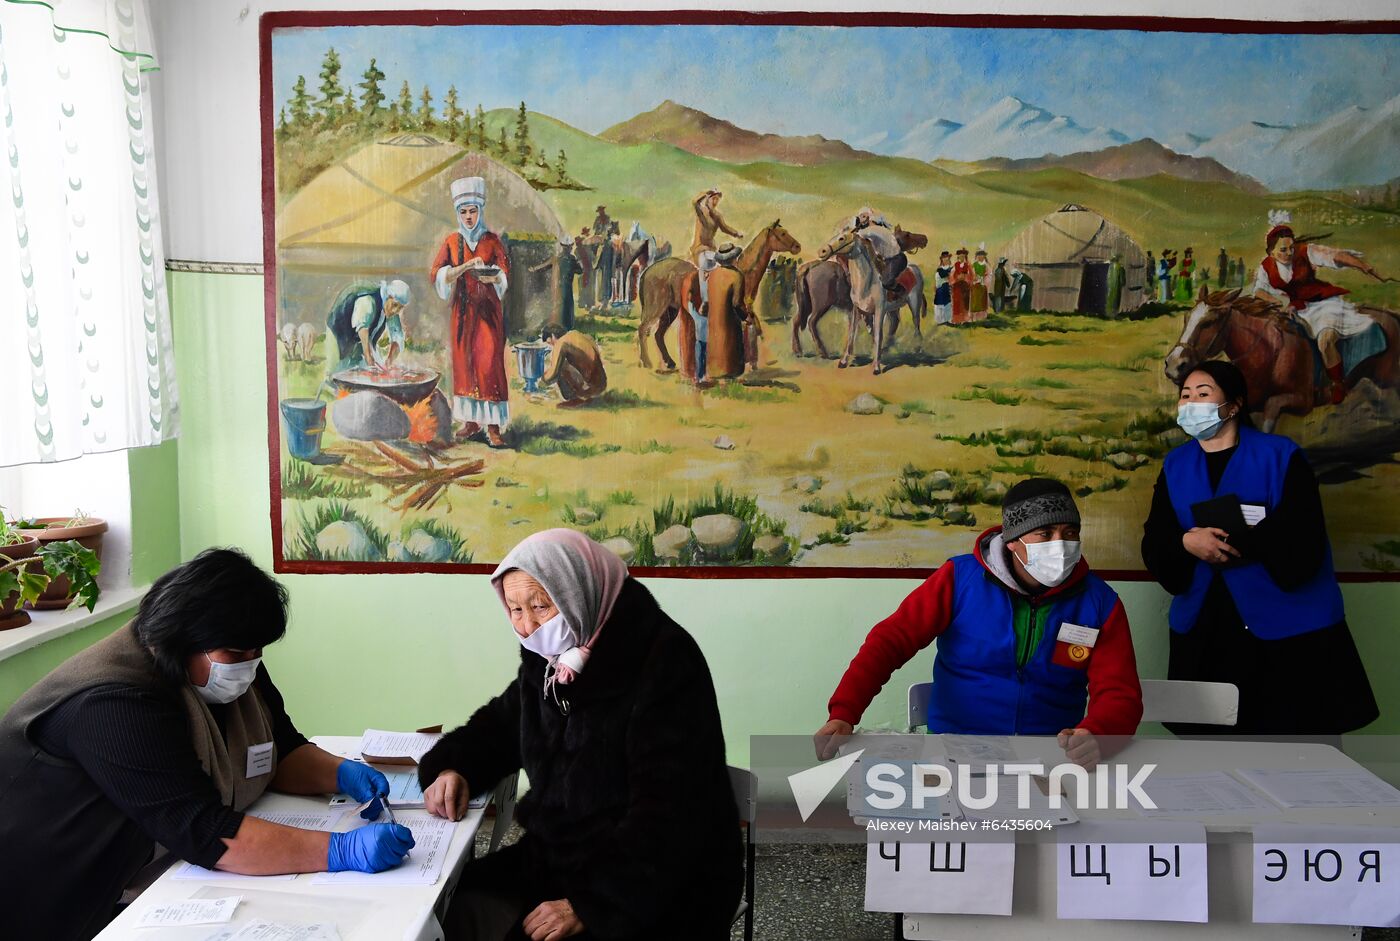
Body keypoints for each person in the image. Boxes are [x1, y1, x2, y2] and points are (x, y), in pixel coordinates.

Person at [0, 549, 415, 941]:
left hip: (150, 862)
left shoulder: (230, 658)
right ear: (180, 640)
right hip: (58, 894)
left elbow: (280, 749)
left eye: (257, 651)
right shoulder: (113, 702)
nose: (250, 663)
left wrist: (340, 772)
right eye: (237, 653)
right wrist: (341, 850)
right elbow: (205, 833)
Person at [420, 530, 742, 941]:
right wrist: (454, 767)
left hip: (656, 882)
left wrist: (592, 903)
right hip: (563, 854)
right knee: (450, 904)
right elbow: (503, 724)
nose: (527, 625)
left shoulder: (665, 662)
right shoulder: (554, 658)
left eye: (540, 605)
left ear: (578, 590)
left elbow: (670, 814)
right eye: (515, 609)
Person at [814, 479, 1143, 769]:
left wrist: (1096, 734)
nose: (1060, 544)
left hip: (1052, 753)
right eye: (1045, 533)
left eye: (1070, 533)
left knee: (1057, 835)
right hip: (954, 749)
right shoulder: (959, 580)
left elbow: (1120, 692)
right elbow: (890, 641)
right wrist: (844, 711)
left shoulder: (1099, 601)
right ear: (1013, 540)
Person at [1141, 360, 1378, 736]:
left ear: (1233, 405)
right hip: (1208, 626)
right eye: (1185, 396)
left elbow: (1303, 536)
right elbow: (1157, 537)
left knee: (1290, 744)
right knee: (1207, 750)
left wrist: (1232, 539)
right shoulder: (1176, 465)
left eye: (1203, 394)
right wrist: (1187, 541)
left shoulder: (1281, 456)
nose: (1191, 403)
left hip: (1283, 631)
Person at [1251, 211, 1387, 404]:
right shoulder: (1265, 267)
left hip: (1322, 306)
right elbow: (1258, 292)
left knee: (1325, 341)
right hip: (1295, 309)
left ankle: (1338, 383)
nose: (1289, 253)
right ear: (1271, 252)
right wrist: (1279, 302)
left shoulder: (1306, 252)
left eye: (1291, 248)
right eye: (1283, 250)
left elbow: (1336, 256)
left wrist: (1363, 266)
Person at [432, 176, 512, 447]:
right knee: (465, 363)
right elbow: (438, 273)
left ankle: (493, 427)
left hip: (488, 314)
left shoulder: (492, 241)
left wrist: (496, 278)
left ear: (480, 211)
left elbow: (504, 271)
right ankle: (471, 422)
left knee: (489, 363)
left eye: (473, 211)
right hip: (463, 314)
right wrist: (464, 268)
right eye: (463, 212)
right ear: (458, 213)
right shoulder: (452, 242)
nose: (468, 216)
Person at [324, 279, 411, 378]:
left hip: (358, 337)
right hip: (338, 329)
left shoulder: (390, 308)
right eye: (394, 305)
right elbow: (362, 328)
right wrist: (369, 358)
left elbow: (397, 336)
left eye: (400, 308)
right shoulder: (368, 300)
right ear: (388, 296)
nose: (395, 310)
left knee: (362, 372)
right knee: (335, 372)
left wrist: (389, 360)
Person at [540, 322, 607, 407]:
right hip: (600, 384)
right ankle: (584, 396)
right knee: (564, 363)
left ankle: (576, 399)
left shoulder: (562, 342)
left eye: (550, 343)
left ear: (552, 336)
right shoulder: (576, 335)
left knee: (561, 365)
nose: (552, 346)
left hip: (590, 387)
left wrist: (541, 380)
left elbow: (553, 373)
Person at [529, 240, 583, 332]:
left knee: (560, 305)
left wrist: (534, 269)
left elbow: (543, 266)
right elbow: (580, 270)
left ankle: (560, 326)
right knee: (566, 305)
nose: (569, 249)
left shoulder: (557, 258)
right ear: (569, 247)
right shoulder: (571, 259)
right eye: (569, 247)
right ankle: (566, 327)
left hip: (558, 287)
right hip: (565, 287)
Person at [690, 188, 743, 266]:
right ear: (708, 199)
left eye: (717, 200)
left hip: (712, 249)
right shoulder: (702, 213)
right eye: (713, 199)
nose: (715, 202)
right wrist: (705, 193)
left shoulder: (717, 216)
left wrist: (736, 233)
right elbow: (695, 202)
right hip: (700, 249)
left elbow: (724, 228)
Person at [951, 247, 972, 323]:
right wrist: (957, 278)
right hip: (957, 286)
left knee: (965, 302)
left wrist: (965, 278)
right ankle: (957, 320)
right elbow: (952, 275)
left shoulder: (968, 265)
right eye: (960, 256)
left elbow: (971, 276)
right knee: (957, 302)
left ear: (965, 257)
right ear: (958, 257)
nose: (962, 257)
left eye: (963, 256)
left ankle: (965, 319)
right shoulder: (955, 265)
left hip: (965, 286)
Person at [933, 250, 954, 325]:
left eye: (947, 258)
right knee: (939, 304)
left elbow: (951, 277)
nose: (946, 259)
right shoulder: (940, 269)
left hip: (947, 288)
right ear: (941, 259)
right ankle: (940, 320)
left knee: (948, 303)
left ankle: (948, 319)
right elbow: (941, 276)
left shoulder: (952, 268)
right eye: (944, 258)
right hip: (940, 289)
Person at [970, 246, 991, 320]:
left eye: (982, 255)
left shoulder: (986, 265)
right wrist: (974, 277)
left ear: (984, 256)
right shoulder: (974, 265)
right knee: (975, 301)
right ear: (976, 256)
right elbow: (971, 274)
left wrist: (984, 279)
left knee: (982, 301)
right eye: (979, 255)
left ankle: (982, 316)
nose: (980, 256)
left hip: (983, 285)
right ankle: (975, 317)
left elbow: (989, 275)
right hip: (975, 285)